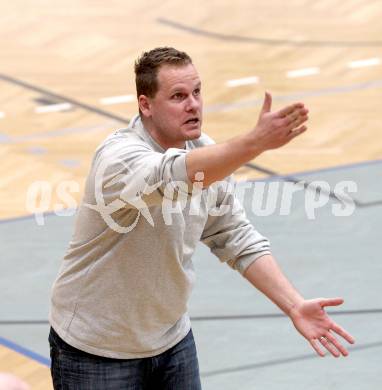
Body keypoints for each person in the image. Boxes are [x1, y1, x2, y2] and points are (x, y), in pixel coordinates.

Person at [48, 47, 355, 389]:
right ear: (145, 105)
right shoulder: (119, 160)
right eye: (178, 96)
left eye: (196, 92)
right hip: (97, 349)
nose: (193, 104)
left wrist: (294, 304)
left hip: (171, 340)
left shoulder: (203, 151)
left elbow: (233, 235)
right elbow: (173, 176)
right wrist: (254, 143)